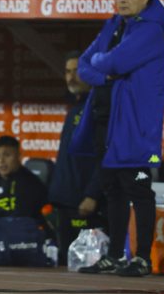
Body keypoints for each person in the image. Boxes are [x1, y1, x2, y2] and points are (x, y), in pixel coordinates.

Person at [70, 0, 164, 277]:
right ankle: (114, 256)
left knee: (138, 189)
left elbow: (111, 62)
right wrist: (104, 70)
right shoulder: (113, 24)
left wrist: (103, 63)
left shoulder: (151, 30)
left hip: (134, 127)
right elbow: (83, 68)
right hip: (105, 121)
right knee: (112, 190)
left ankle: (141, 259)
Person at [48, 51, 106, 266]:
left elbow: (105, 155)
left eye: (77, 71)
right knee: (65, 266)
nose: (71, 76)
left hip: (87, 204)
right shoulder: (76, 109)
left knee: (87, 269)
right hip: (66, 202)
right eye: (68, 71)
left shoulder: (98, 108)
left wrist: (92, 193)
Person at [0, 136, 49, 230]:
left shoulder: (29, 183)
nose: (1, 161)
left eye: (7, 155)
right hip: (0, 234)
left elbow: (22, 219)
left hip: (27, 237)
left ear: (18, 156)